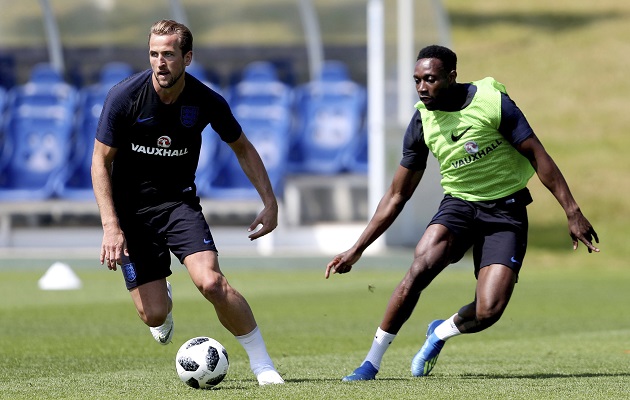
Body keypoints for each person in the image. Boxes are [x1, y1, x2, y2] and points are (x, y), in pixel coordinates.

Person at [325, 44, 599, 381]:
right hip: (460, 206)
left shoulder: (492, 104)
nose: (422, 88)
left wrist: (572, 212)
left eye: (430, 79)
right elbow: (397, 194)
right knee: (419, 267)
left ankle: (440, 333)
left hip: (506, 209)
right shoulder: (421, 122)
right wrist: (356, 250)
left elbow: (538, 156)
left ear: (452, 76)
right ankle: (370, 363)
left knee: (488, 311)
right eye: (417, 80)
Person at [91, 19, 284, 385]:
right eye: (153, 54)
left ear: (187, 57)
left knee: (212, 283)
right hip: (131, 214)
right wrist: (111, 226)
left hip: (179, 206)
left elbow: (242, 147)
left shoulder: (205, 100)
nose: (159, 62)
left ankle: (263, 365)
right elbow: (99, 162)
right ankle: (160, 295)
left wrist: (270, 202)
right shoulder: (123, 97)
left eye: (168, 54)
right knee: (153, 316)